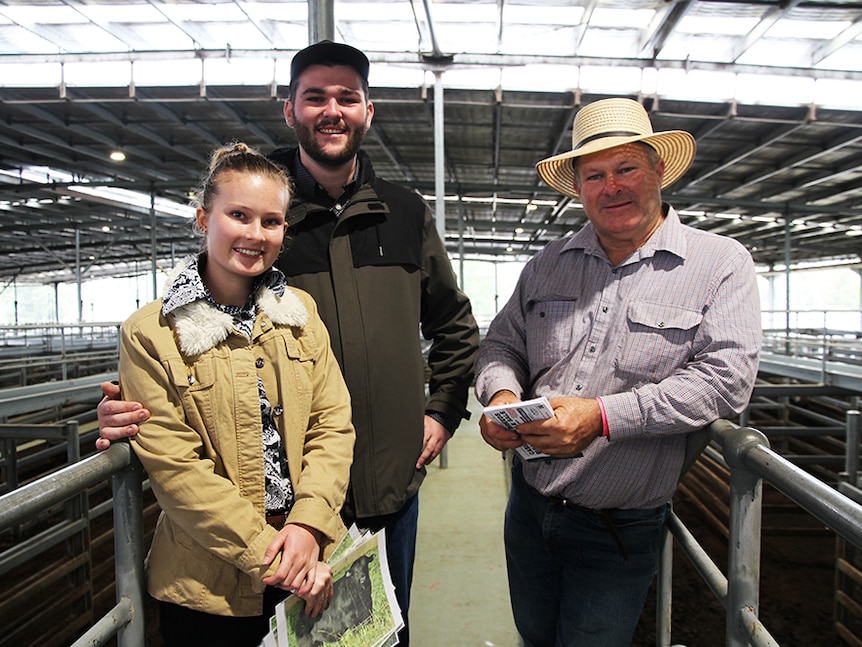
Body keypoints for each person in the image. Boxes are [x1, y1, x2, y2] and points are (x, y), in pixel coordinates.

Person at [97, 40, 480, 646]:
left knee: (376, 633)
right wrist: (131, 403)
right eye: (315, 96)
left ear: (368, 111)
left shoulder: (404, 213)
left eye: (347, 97)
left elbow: (454, 327)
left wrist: (442, 411)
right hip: (269, 523)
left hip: (382, 484)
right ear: (290, 109)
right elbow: (189, 348)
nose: (332, 110)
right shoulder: (265, 202)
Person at [475, 97, 761, 647]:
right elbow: (501, 343)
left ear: (658, 169)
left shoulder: (720, 263)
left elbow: (726, 378)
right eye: (595, 175)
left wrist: (601, 417)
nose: (612, 187)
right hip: (530, 508)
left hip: (618, 524)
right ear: (578, 188)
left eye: (627, 168)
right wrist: (502, 397)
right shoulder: (546, 264)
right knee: (534, 634)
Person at [117, 141, 355, 647]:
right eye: (238, 215)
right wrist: (276, 554)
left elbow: (332, 425)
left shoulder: (300, 314)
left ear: (284, 231)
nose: (254, 234)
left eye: (271, 221)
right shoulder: (152, 333)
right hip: (212, 584)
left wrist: (310, 526)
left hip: (306, 555)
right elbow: (177, 470)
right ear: (204, 218)